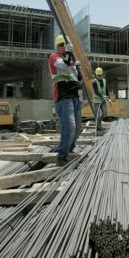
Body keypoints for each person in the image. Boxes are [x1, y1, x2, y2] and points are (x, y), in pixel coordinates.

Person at [48, 35, 82, 166]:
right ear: (57, 46)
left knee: (78, 128)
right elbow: (62, 65)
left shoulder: (70, 61)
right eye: (61, 45)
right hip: (63, 98)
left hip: (74, 98)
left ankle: (69, 149)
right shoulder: (54, 57)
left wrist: (77, 70)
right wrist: (69, 53)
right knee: (70, 127)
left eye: (65, 45)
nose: (63, 47)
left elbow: (77, 79)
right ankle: (61, 156)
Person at [92, 67, 110, 131]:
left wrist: (109, 98)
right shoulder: (94, 82)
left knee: (105, 114)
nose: (99, 76)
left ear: (102, 74)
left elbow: (107, 90)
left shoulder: (104, 81)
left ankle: (98, 123)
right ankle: (98, 127)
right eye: (98, 75)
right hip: (96, 101)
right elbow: (96, 91)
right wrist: (103, 96)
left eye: (100, 75)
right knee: (98, 115)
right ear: (96, 75)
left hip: (103, 101)